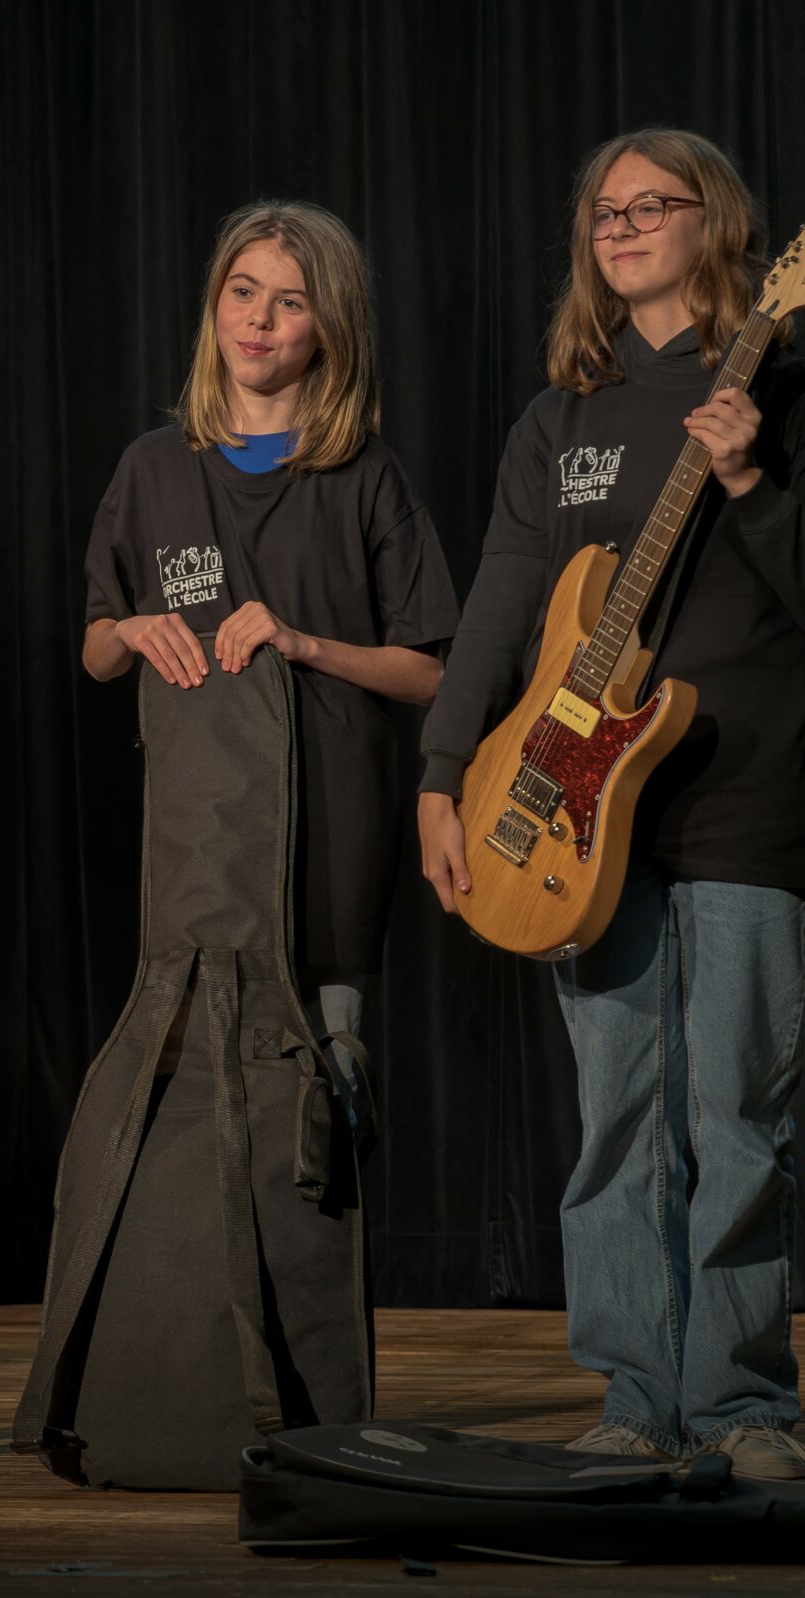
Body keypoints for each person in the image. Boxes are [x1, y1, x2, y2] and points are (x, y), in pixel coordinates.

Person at [416, 128, 803, 1481]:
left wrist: (753, 477)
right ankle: (638, 1398)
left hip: (747, 804)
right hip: (580, 822)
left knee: (740, 1116)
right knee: (620, 1118)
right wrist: (438, 774)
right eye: (605, 211)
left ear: (721, 223)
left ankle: (745, 1403)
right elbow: (500, 607)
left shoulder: (785, 384)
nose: (624, 226)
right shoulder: (562, 417)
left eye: (654, 204)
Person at [83, 199, 458, 1050]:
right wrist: (136, 628)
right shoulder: (151, 468)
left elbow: (431, 673)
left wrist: (303, 642)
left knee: (318, 1097)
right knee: (205, 1102)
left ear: (328, 327)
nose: (258, 320)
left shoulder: (366, 476)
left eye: (290, 301)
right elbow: (98, 651)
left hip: (330, 830)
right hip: (203, 841)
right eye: (242, 291)